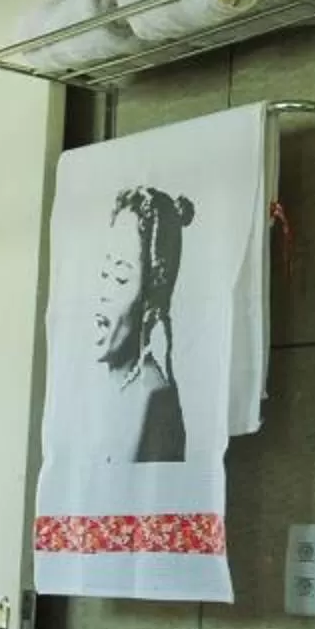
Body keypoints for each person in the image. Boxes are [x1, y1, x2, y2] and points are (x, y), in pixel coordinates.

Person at [86, 185, 193, 464]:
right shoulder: (98, 389)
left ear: (150, 300)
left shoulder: (156, 402)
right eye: (104, 272)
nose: (103, 292)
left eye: (120, 278)